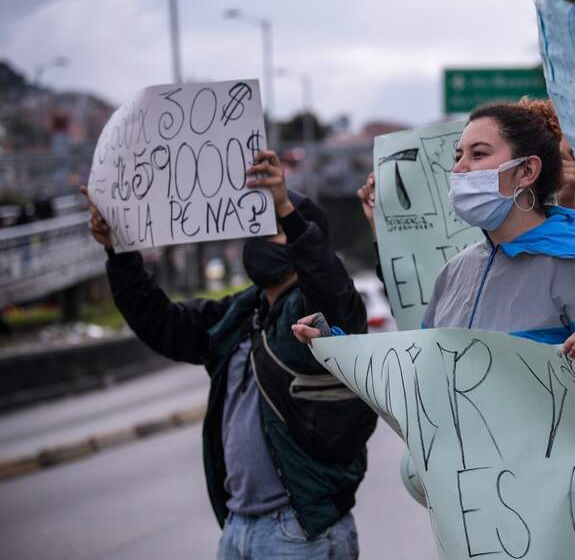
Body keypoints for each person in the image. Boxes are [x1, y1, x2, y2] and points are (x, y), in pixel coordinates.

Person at [81, 149, 374, 560]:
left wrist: (286, 209)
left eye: (273, 226)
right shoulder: (241, 314)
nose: (259, 236)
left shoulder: (316, 314)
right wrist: (119, 251)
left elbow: (331, 293)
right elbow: (160, 323)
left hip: (299, 532)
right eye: (256, 225)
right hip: (238, 528)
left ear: (305, 241)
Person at [309, 99, 575, 422]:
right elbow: (418, 374)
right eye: (458, 156)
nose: (460, 168)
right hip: (462, 472)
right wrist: (334, 345)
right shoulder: (456, 271)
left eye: (478, 154)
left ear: (527, 171)